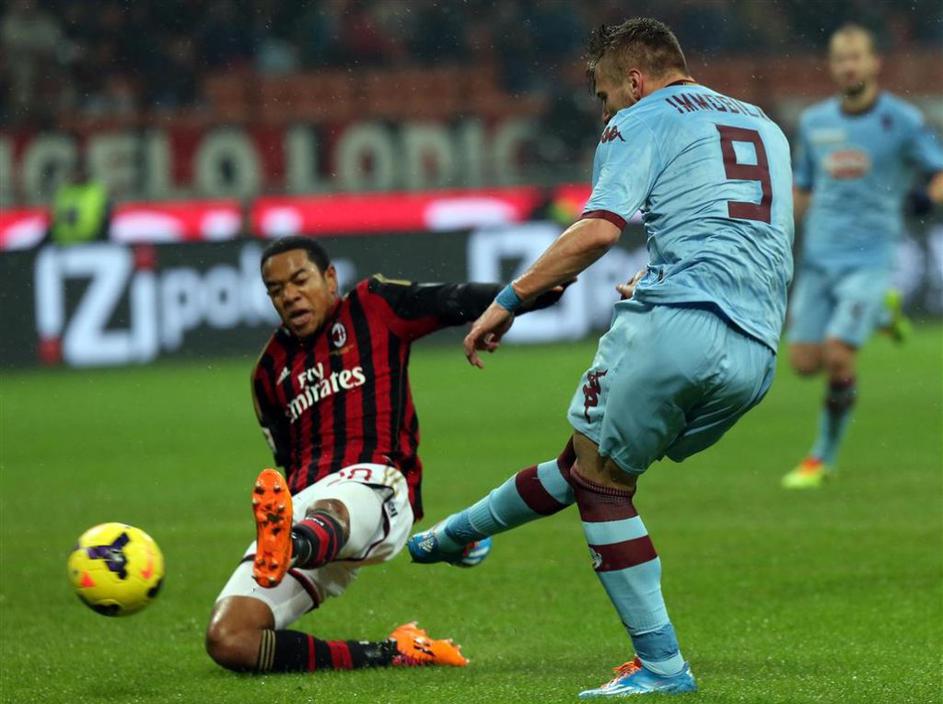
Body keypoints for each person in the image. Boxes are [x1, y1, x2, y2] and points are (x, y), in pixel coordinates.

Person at [407, 18, 794, 698]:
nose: (604, 111)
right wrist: (660, 275)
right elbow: (746, 238)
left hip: (677, 327)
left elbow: (596, 231)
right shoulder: (763, 125)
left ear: (634, 81)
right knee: (586, 462)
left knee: (602, 486)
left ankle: (661, 666)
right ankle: (456, 536)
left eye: (603, 95)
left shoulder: (641, 118)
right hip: (756, 349)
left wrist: (509, 299)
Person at [205, 235, 563, 675]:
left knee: (332, 505)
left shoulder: (372, 307)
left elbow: (452, 299)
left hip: (376, 484)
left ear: (330, 278)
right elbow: (289, 464)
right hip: (304, 511)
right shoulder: (267, 372)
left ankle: (292, 543)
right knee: (230, 639)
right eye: (276, 290)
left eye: (300, 280)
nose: (289, 295)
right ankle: (392, 652)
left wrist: (529, 293)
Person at [781, 23, 943, 490]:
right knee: (804, 363)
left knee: (838, 356)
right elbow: (804, 186)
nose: (849, 66)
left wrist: (927, 198)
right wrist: (778, 231)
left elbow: (939, 172)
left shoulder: (902, 121)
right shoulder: (815, 123)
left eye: (856, 57)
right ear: (832, 67)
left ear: (874, 63)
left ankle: (821, 457)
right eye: (840, 58)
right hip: (819, 259)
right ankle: (882, 313)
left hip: (870, 257)